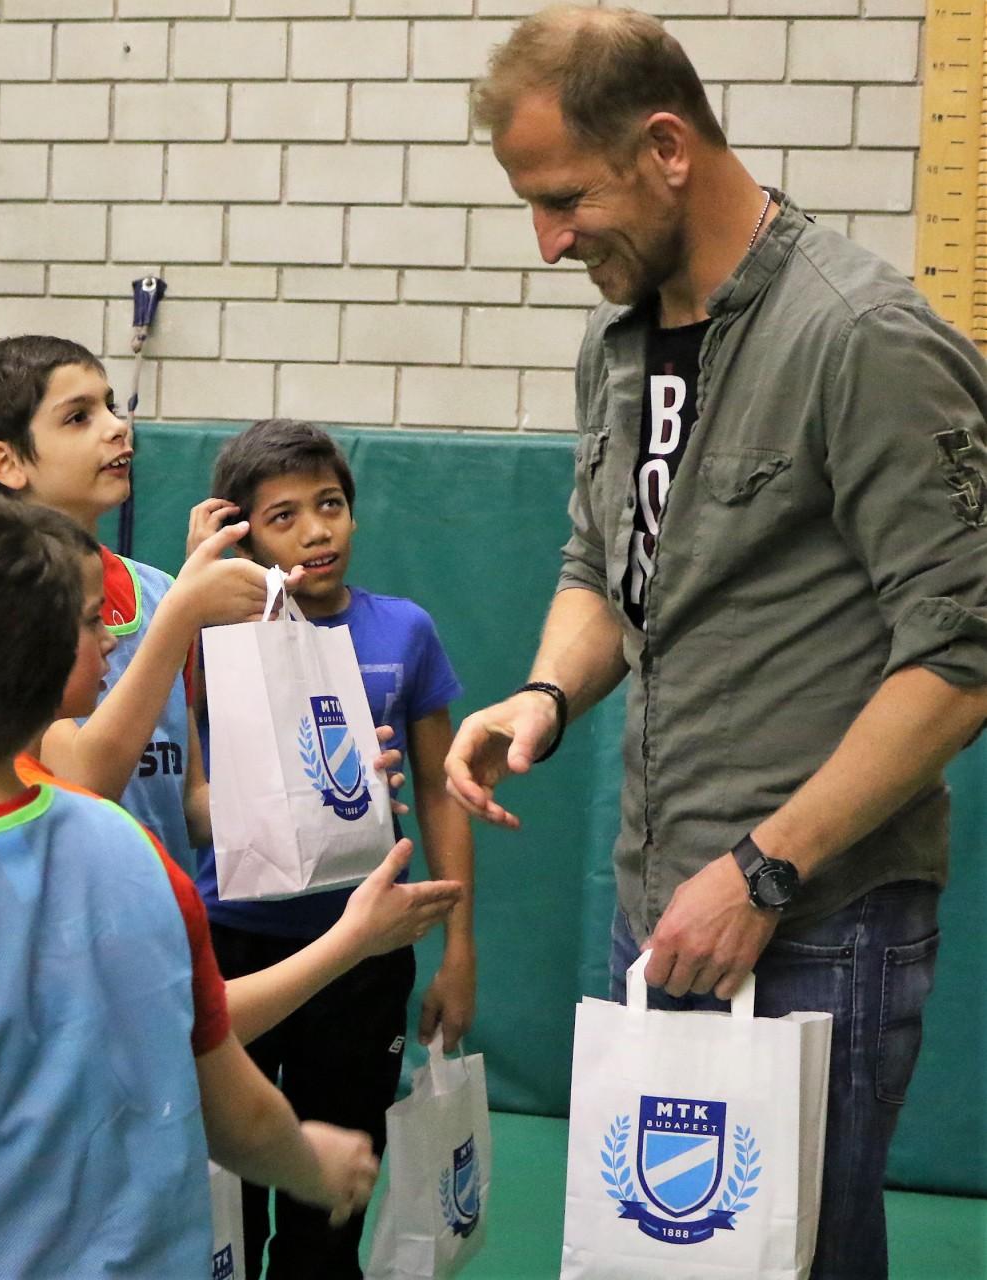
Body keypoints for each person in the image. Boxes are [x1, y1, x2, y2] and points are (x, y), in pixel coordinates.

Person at [444, 8, 987, 1279]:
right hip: (664, 900)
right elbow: (604, 566)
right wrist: (544, 692)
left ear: (666, 147)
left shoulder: (861, 336)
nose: (548, 242)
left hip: (813, 918)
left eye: (565, 199)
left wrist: (762, 870)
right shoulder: (619, 336)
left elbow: (960, 657)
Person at [0, 487, 380, 1278]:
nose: (112, 636)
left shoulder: (124, 850)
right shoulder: (129, 854)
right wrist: (310, 1164)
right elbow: (235, 1108)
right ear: (44, 660)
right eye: (91, 619)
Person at [190, 419, 476, 1280]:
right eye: (284, 517)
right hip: (233, 946)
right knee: (227, 1193)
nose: (317, 531)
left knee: (332, 1196)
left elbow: (439, 792)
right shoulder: (207, 630)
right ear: (243, 530)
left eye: (330, 506)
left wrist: (458, 948)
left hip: (366, 950)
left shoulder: (405, 631)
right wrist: (200, 575)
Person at [12, 513, 463, 1050]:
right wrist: (352, 940)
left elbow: (192, 807)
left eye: (330, 504)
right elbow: (188, 1033)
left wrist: (322, 793)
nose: (111, 639)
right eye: (92, 619)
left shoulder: (156, 591)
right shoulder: (50, 846)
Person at [0, 335, 271, 876]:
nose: (117, 426)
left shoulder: (160, 591)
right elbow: (84, 783)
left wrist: (310, 793)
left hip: (163, 910)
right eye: (78, 417)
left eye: (111, 406)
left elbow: (188, 804)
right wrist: (182, 617)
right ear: (7, 462)